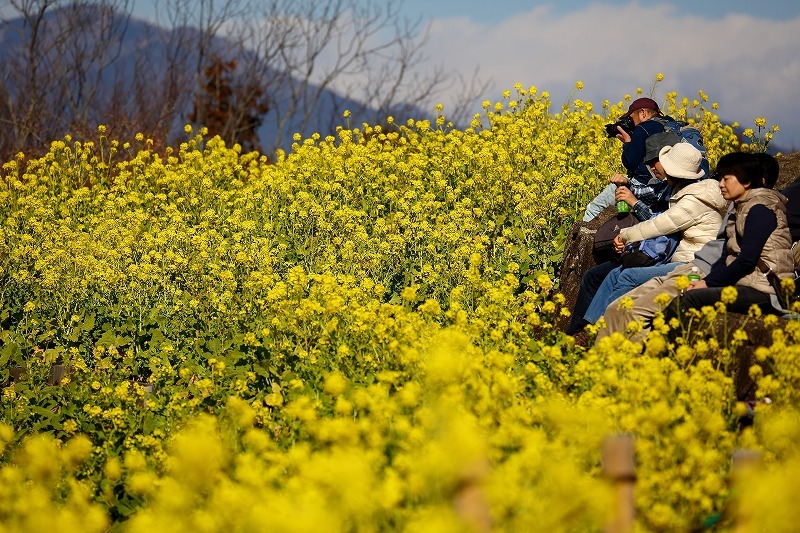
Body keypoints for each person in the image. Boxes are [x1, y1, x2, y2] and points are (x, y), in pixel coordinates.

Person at [597, 152, 788, 342]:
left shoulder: (759, 211)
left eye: (726, 178)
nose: (720, 183)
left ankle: (632, 363)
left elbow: (744, 260)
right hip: (695, 267)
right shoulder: (738, 208)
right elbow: (727, 255)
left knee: (634, 307)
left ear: (750, 181)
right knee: (616, 308)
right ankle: (598, 360)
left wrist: (707, 282)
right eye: (720, 178)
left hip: (735, 280)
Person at [579, 142, 727, 326]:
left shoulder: (694, 201)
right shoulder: (682, 190)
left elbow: (658, 225)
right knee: (614, 274)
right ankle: (588, 327)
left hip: (693, 264)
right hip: (681, 259)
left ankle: (607, 326)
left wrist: (624, 235)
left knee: (627, 276)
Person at [566, 131, 678, 336]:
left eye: (655, 162)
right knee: (594, 276)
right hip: (650, 250)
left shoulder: (683, 193)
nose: (651, 168)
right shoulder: (665, 186)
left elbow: (659, 224)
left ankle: (597, 332)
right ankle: (581, 333)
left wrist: (630, 218)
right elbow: (644, 193)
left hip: (664, 258)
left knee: (617, 276)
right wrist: (626, 186)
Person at [582, 97, 674, 222]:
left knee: (594, 208)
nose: (631, 122)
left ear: (643, 113)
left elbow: (630, 162)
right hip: (667, 184)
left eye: (631, 118)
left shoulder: (643, 127)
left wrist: (627, 143)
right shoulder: (671, 125)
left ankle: (585, 238)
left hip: (645, 185)